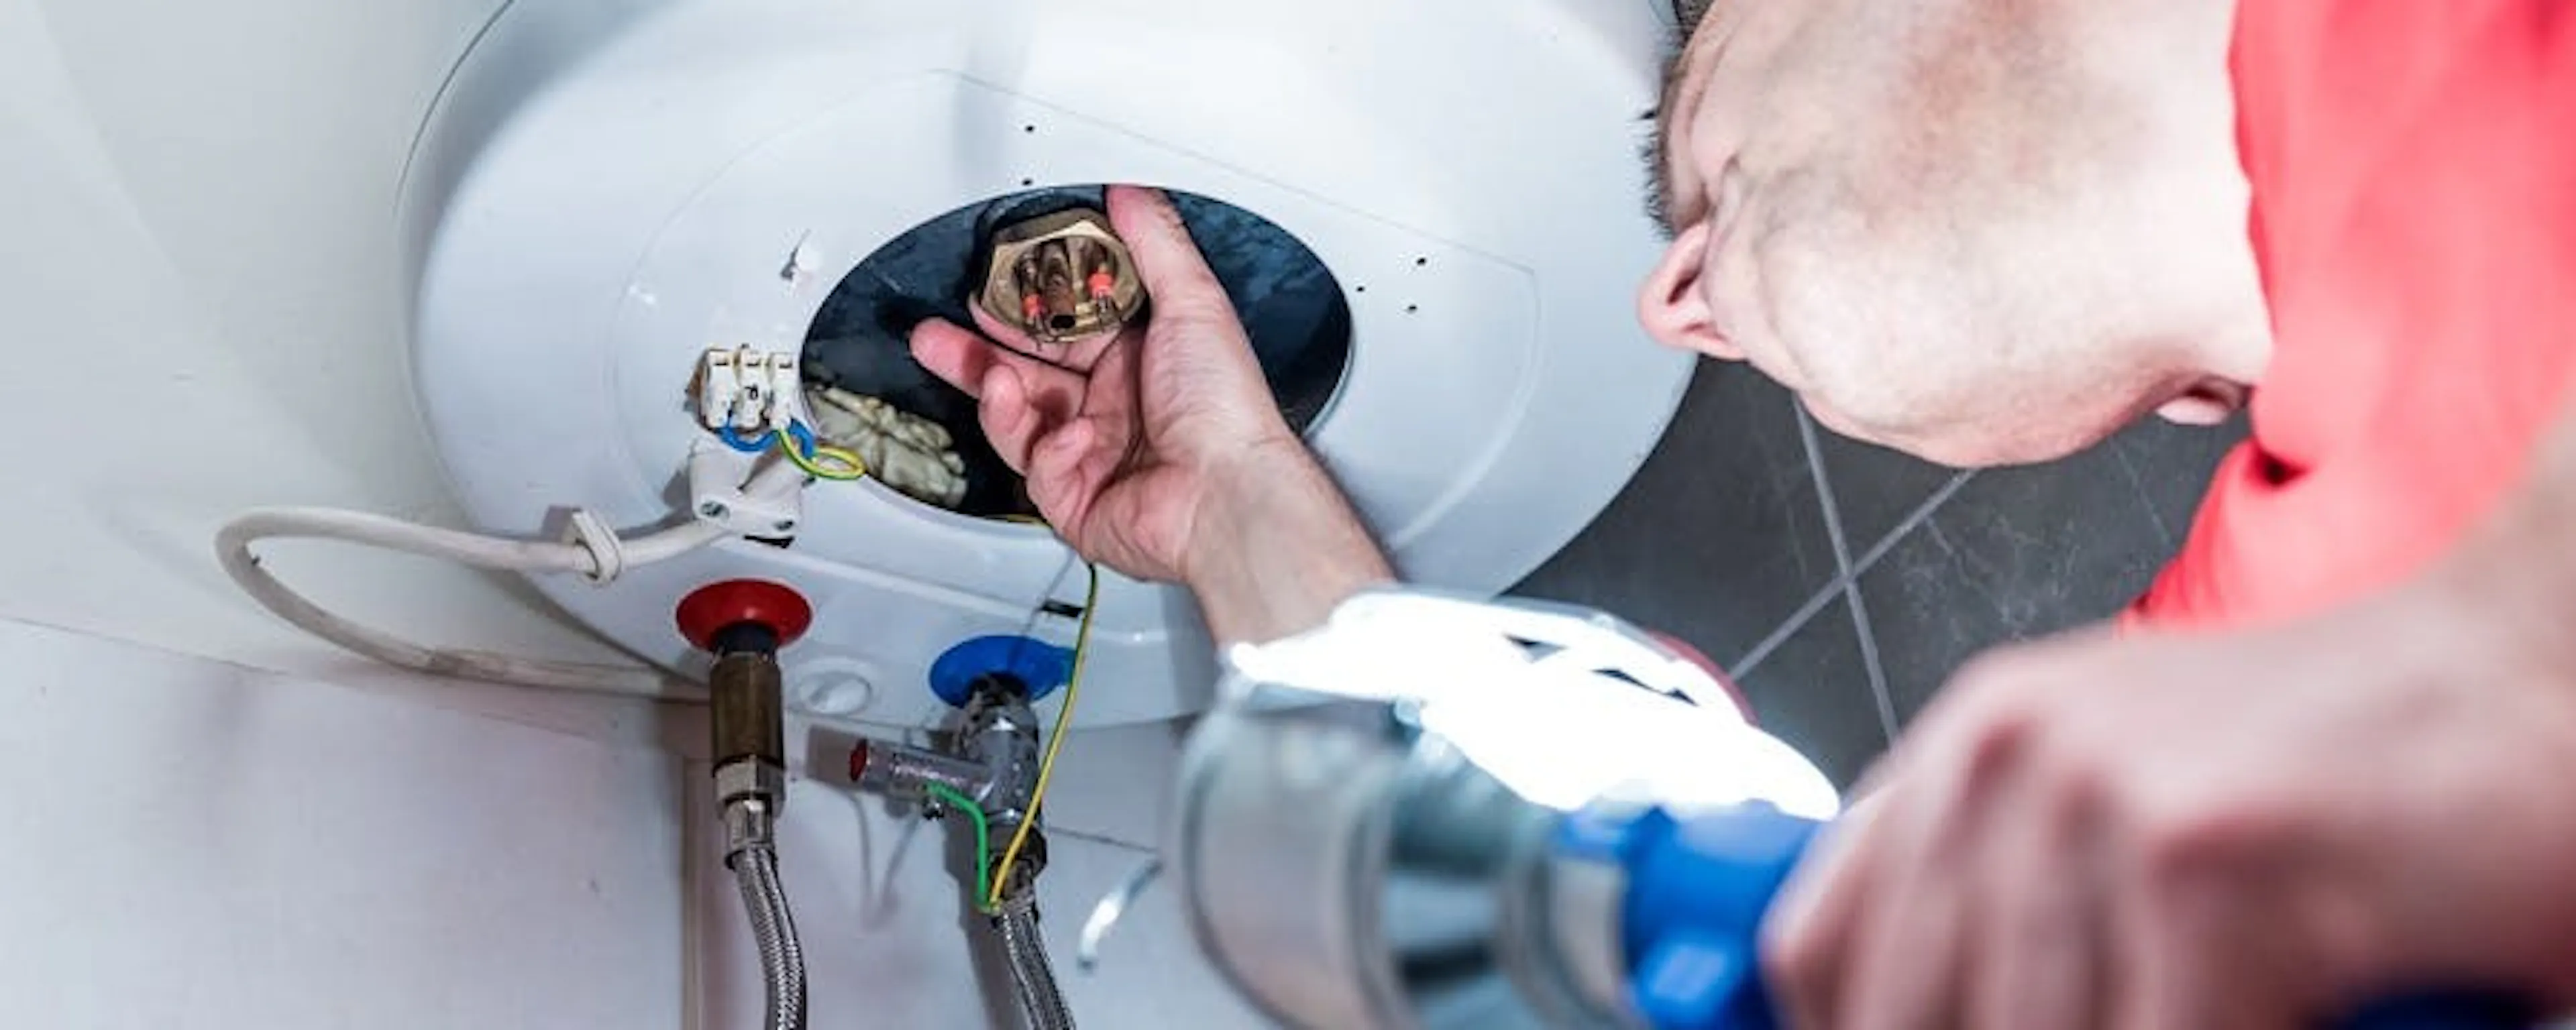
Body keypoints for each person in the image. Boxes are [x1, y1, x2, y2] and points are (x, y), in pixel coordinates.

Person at [909, 0, 2576, 1023]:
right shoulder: (2264, 657)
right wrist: (1231, 508)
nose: (1672, 307)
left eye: (1702, 161)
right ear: (2194, 394)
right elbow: (1769, 936)